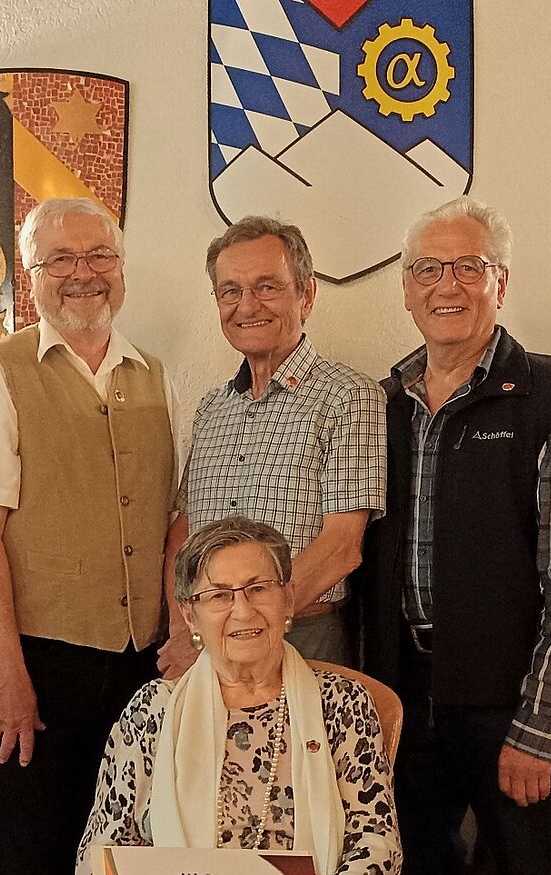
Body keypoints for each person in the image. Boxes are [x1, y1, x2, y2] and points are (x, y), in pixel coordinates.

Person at [359, 197, 551, 875]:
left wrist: (539, 725)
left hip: (513, 706)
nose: (448, 285)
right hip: (407, 699)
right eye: (428, 268)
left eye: (468, 267)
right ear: (405, 288)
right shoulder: (382, 402)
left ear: (501, 282)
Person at [0, 196, 183, 875]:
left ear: (121, 265)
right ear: (31, 276)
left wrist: (178, 630)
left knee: (105, 871)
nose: (83, 273)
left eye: (98, 255)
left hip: (137, 665)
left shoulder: (156, 374)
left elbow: (174, 521)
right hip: (33, 662)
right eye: (60, 259)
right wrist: (3, 671)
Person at [78, 516, 425, 875]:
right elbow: (102, 849)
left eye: (258, 588)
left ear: (287, 600)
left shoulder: (341, 704)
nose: (242, 610)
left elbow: (375, 844)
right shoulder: (153, 711)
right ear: (190, 613)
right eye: (218, 595)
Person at [161, 216, 386, 674]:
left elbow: (342, 547)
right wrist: (184, 631)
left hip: (303, 637)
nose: (247, 305)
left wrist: (235, 628)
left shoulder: (349, 397)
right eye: (230, 291)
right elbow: (184, 532)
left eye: (267, 287)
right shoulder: (212, 408)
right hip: (206, 643)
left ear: (306, 295)